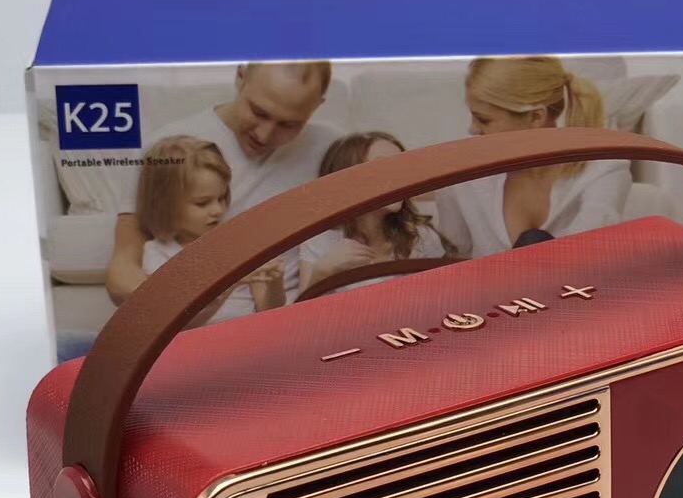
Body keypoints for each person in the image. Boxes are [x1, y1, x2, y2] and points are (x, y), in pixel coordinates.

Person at [106, 61, 337, 322]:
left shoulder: (333, 150)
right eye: (258, 112)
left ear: (317, 105)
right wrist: (185, 309)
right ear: (240, 76)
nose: (264, 135)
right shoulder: (168, 148)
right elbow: (122, 271)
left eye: (289, 124)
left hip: (285, 319)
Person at [433, 56, 630, 257]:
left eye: (484, 120)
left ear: (536, 116)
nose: (472, 129)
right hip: (483, 279)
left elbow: (590, 253)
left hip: (574, 276)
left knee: (535, 242)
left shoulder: (603, 167)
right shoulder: (461, 174)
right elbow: (453, 259)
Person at [129, 135, 279, 325]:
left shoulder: (239, 244)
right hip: (197, 339)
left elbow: (270, 314)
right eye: (203, 203)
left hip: (250, 333)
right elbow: (176, 326)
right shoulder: (159, 254)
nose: (217, 210)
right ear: (165, 204)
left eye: (221, 198)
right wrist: (229, 283)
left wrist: (274, 283)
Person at [298, 132, 448, 294]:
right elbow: (302, 308)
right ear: (346, 179)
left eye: (401, 168)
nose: (399, 178)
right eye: (382, 167)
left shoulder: (421, 237)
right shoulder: (320, 241)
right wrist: (322, 272)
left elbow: (441, 298)